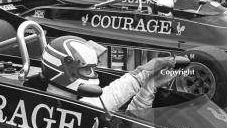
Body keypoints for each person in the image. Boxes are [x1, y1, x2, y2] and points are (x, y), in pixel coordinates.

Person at [41, 35, 177, 111]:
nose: (92, 74)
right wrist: (142, 77)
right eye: (87, 69)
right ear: (66, 72)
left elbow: (111, 96)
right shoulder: (61, 112)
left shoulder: (67, 102)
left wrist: (147, 85)